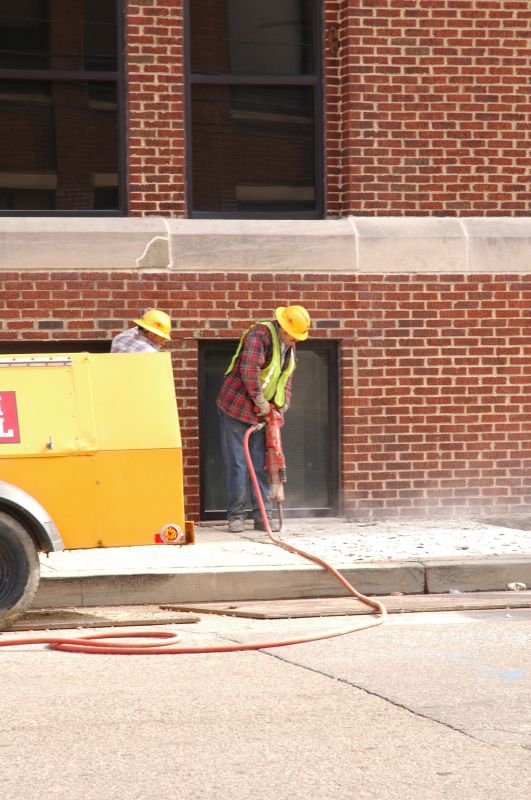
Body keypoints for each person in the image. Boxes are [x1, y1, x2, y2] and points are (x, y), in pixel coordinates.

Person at [216, 304, 311, 533]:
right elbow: (249, 369)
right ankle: (236, 516)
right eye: (293, 336)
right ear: (283, 328)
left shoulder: (289, 346)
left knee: (262, 465)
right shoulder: (260, 334)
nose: (295, 341)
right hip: (237, 408)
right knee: (239, 463)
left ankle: (262, 516)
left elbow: (285, 377)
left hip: (263, 414)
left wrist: (281, 405)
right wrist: (260, 402)